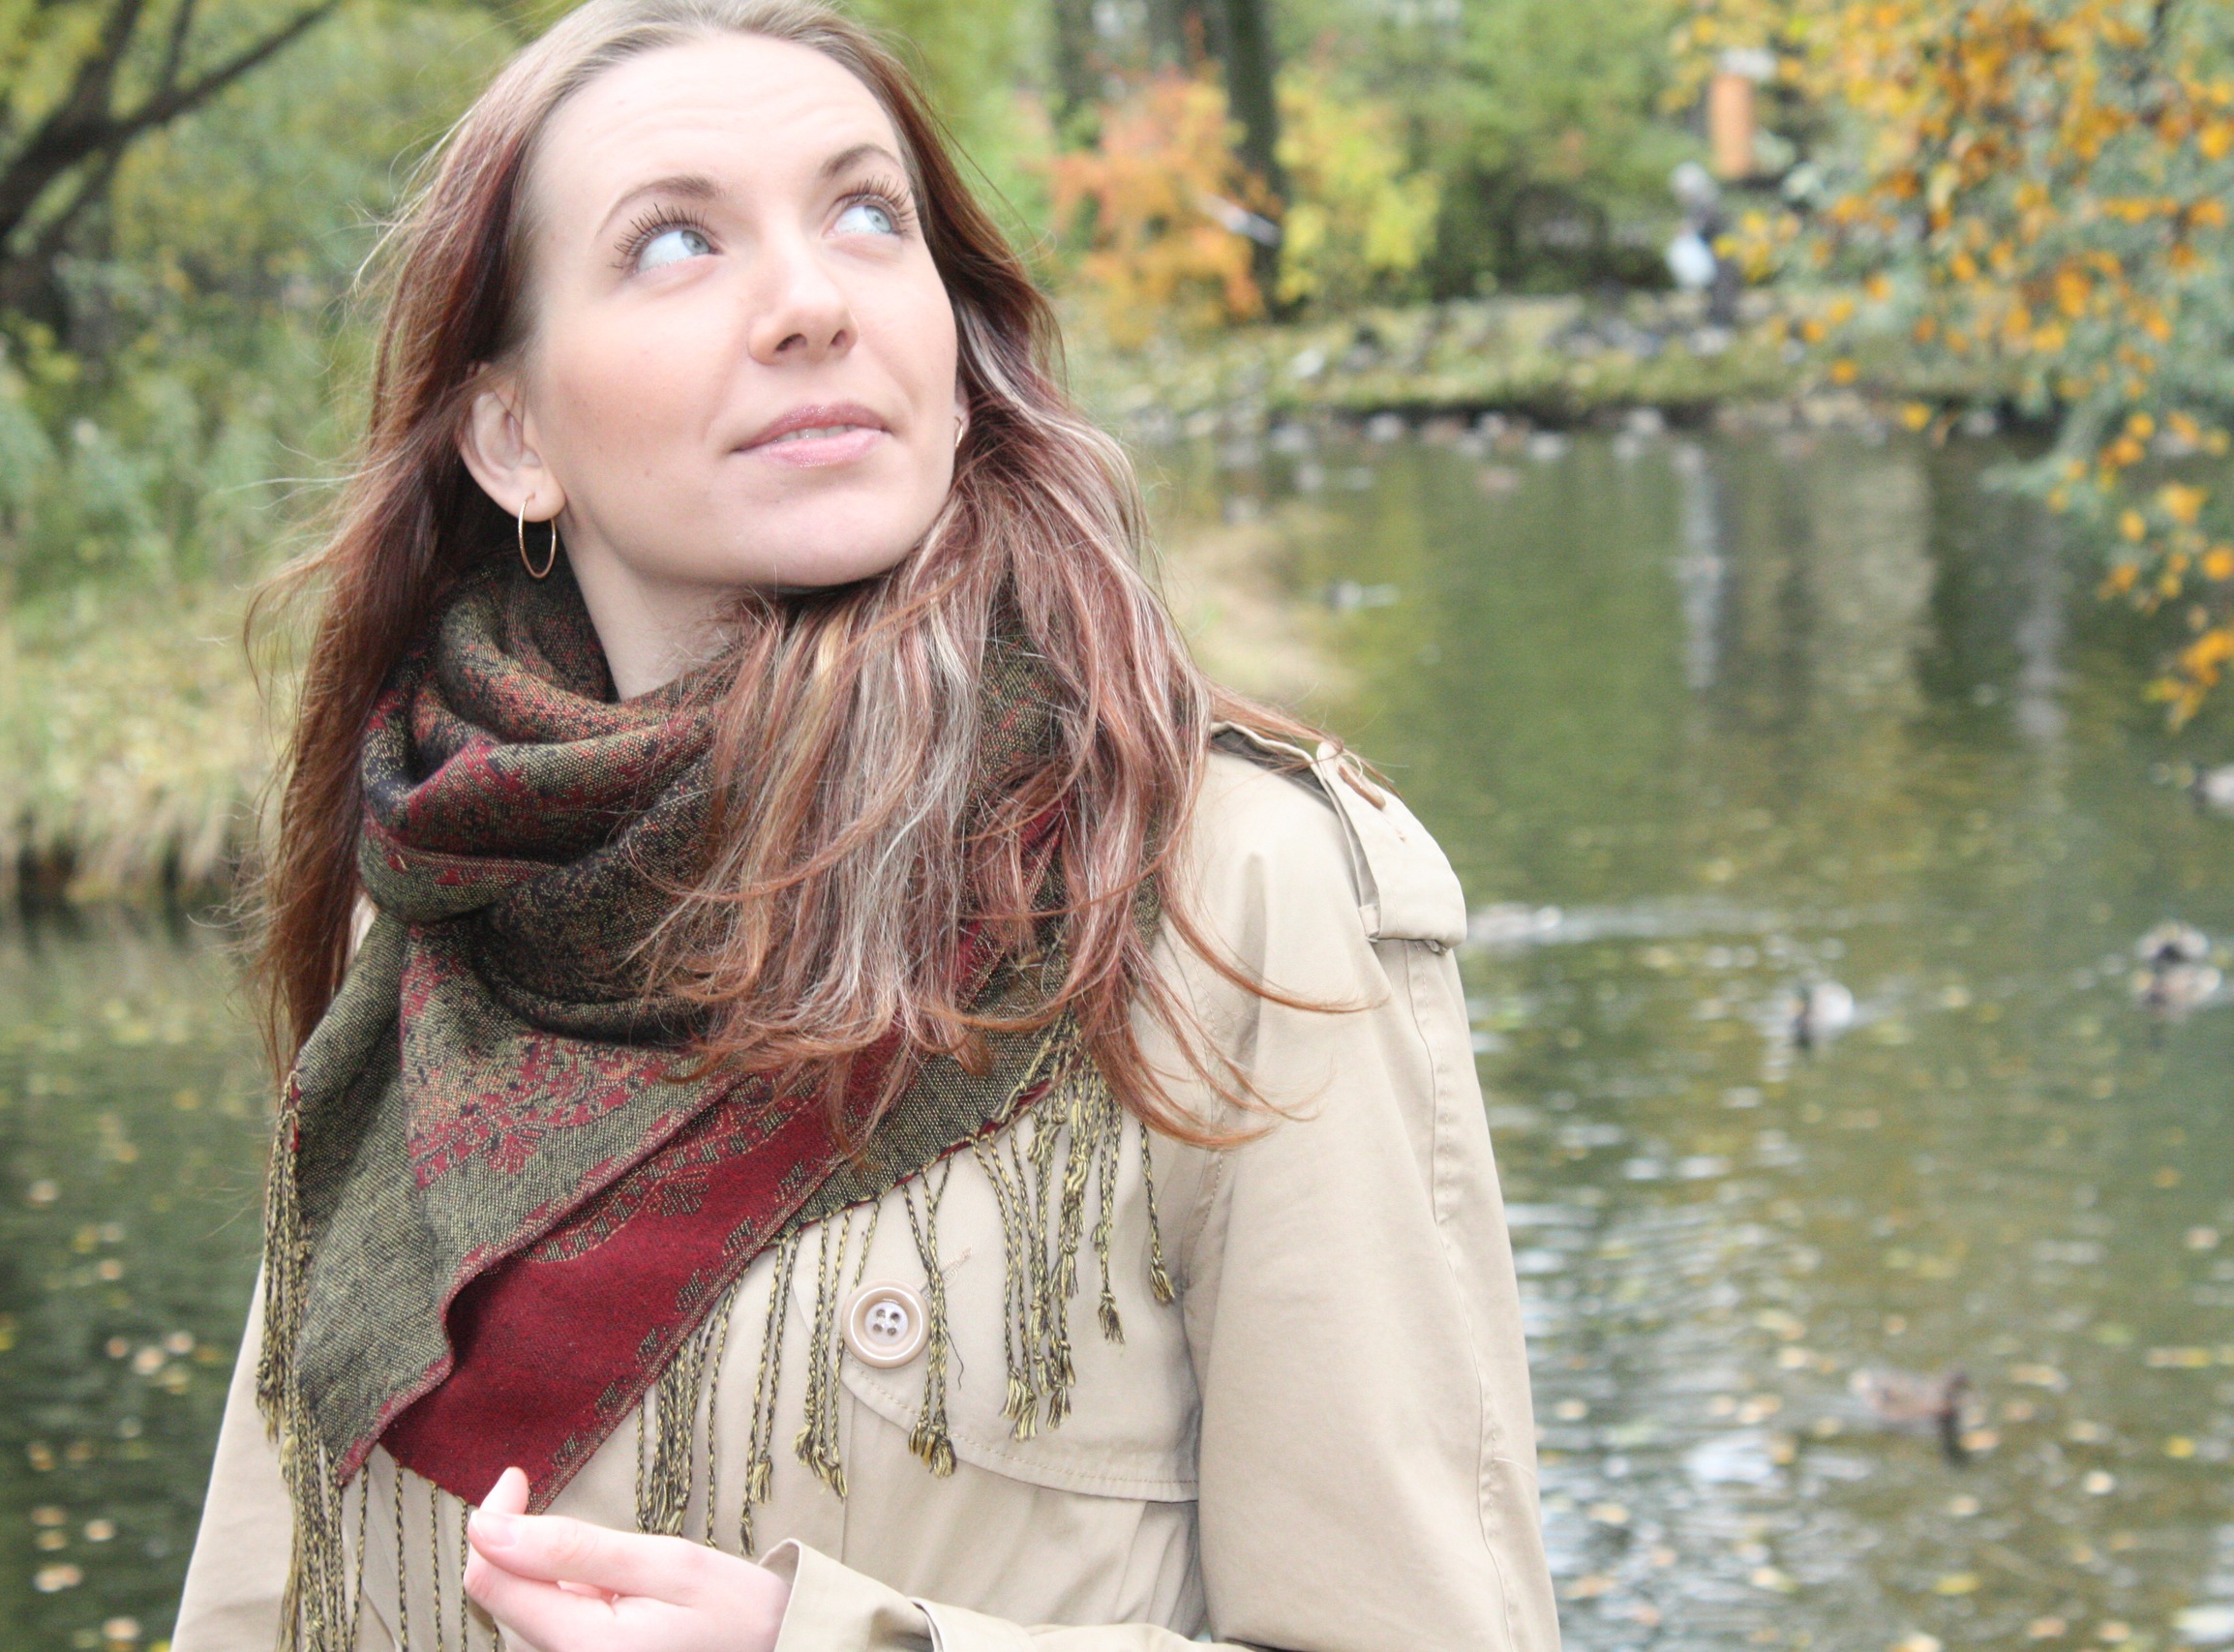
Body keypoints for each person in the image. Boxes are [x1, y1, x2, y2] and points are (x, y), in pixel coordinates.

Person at [169, 4, 1558, 1649]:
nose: (812, 301)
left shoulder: (1230, 892)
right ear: (514, 436)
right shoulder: (451, 888)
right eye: (674, 242)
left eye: (865, 215)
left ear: (954, 360)